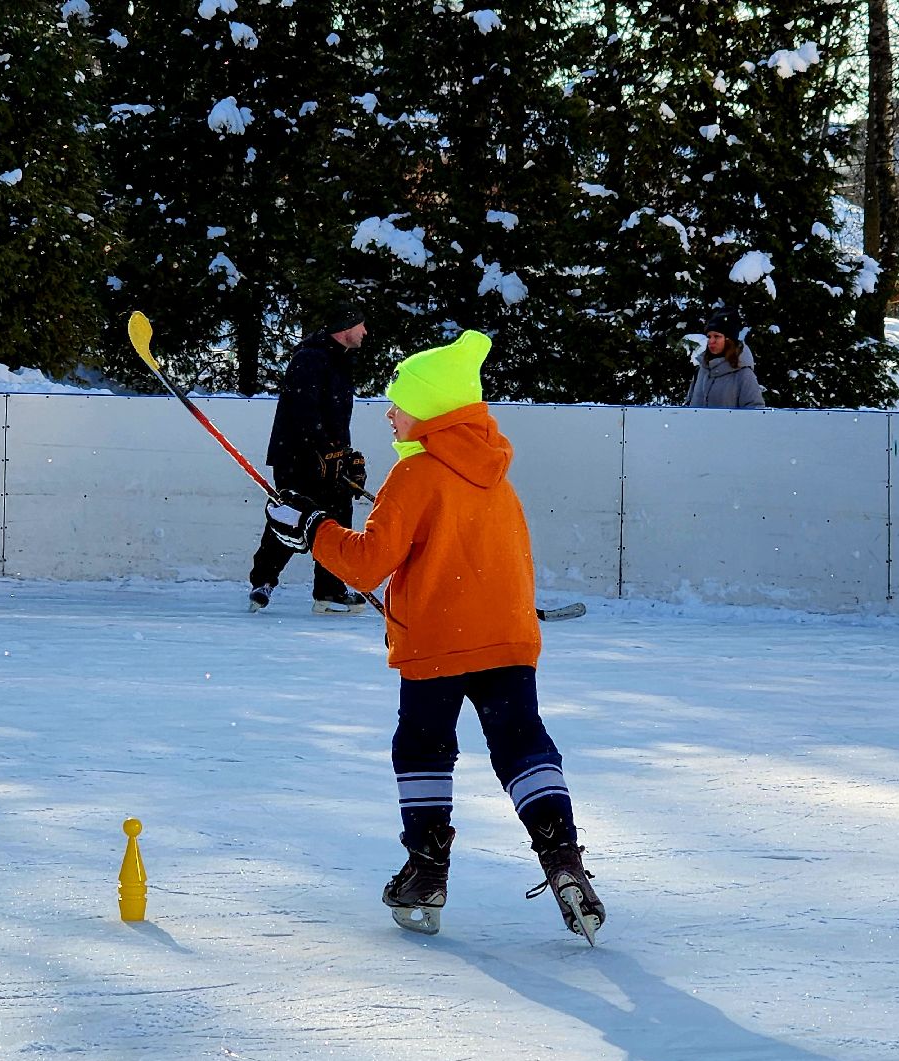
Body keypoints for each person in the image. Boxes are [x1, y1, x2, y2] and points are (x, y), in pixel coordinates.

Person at [262, 330, 605, 943]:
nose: (389, 413)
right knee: (522, 745)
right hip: (507, 641)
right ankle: (563, 860)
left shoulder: (414, 474)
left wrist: (312, 528)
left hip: (437, 645)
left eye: (399, 402)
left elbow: (367, 564)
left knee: (422, 748)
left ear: (431, 409)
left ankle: (426, 873)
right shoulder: (495, 476)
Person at [247, 302, 369, 614]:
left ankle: (329, 591)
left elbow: (334, 416)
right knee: (292, 518)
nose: (365, 331)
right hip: (298, 458)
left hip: (329, 458)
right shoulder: (310, 358)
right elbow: (303, 410)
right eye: (360, 325)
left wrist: (344, 454)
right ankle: (263, 581)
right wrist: (323, 447)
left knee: (336, 523)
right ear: (345, 328)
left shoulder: (340, 359)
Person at [685, 310, 765, 408]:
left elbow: (755, 411)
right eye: (709, 336)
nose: (711, 341)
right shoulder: (701, 371)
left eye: (717, 336)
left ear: (729, 340)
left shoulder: (743, 375)